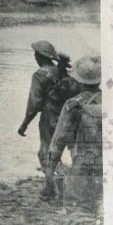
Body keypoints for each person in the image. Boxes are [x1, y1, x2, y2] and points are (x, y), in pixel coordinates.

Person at [18, 40, 80, 197]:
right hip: (69, 116)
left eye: (35, 54)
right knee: (73, 151)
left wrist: (25, 123)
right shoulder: (64, 72)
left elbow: (34, 103)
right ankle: (74, 184)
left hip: (50, 118)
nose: (34, 57)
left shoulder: (40, 75)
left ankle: (51, 187)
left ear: (40, 57)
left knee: (46, 152)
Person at [45, 55, 102, 209]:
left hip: (83, 166)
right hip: (109, 166)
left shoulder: (73, 105)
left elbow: (58, 140)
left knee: (77, 209)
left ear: (78, 81)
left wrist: (49, 169)